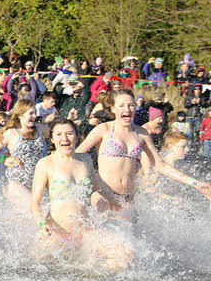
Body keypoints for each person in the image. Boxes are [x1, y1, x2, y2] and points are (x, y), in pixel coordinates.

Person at [75, 89, 211, 220]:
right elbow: (76, 156)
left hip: (128, 198)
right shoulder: (104, 129)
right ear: (113, 109)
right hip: (104, 195)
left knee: (132, 241)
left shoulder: (142, 133)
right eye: (121, 105)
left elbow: (160, 165)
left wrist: (194, 183)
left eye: (130, 105)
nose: (127, 109)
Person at [31, 119, 133, 270]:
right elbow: (35, 202)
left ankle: (93, 280)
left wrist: (113, 201)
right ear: (52, 138)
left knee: (125, 254)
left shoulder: (85, 159)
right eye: (59, 134)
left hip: (85, 232)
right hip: (57, 233)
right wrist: (41, 224)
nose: (64, 138)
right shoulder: (46, 163)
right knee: (43, 268)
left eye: (69, 133)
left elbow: (97, 184)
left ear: (77, 137)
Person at [0, 100, 49, 210]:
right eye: (31, 113)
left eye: (35, 113)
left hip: (38, 181)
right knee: (35, 210)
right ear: (20, 115)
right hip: (16, 184)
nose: (34, 116)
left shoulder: (40, 129)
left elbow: (58, 134)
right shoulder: (11, 133)